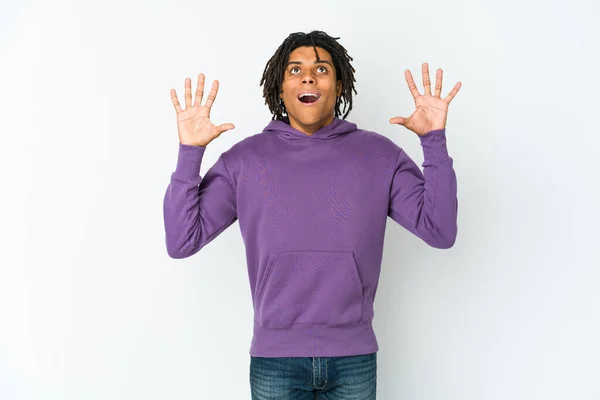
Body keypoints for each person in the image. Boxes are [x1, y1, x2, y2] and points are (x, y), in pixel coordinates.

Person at [163, 30, 461, 400]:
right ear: (280, 89)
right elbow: (181, 240)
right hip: (275, 360)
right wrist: (189, 153)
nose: (308, 77)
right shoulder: (244, 160)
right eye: (295, 70)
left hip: (353, 357)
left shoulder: (379, 155)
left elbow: (440, 230)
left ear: (338, 88)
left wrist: (433, 141)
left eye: (321, 69)